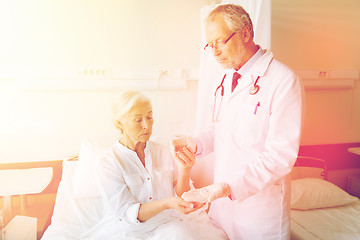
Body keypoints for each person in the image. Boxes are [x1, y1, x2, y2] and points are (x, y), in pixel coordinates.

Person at [174, 4, 304, 240]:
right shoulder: (226, 78)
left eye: (220, 42)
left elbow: (280, 156)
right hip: (223, 208)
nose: (215, 52)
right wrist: (197, 145)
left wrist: (228, 187)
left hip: (259, 212)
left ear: (245, 33)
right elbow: (219, 129)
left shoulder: (282, 81)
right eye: (210, 45)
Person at [92, 90, 228, 240]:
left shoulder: (162, 151)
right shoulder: (107, 162)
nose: (147, 125)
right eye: (138, 120)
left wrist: (184, 172)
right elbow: (127, 213)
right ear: (119, 124)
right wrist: (167, 203)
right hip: (128, 229)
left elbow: (182, 195)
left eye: (149, 117)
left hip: (167, 225)